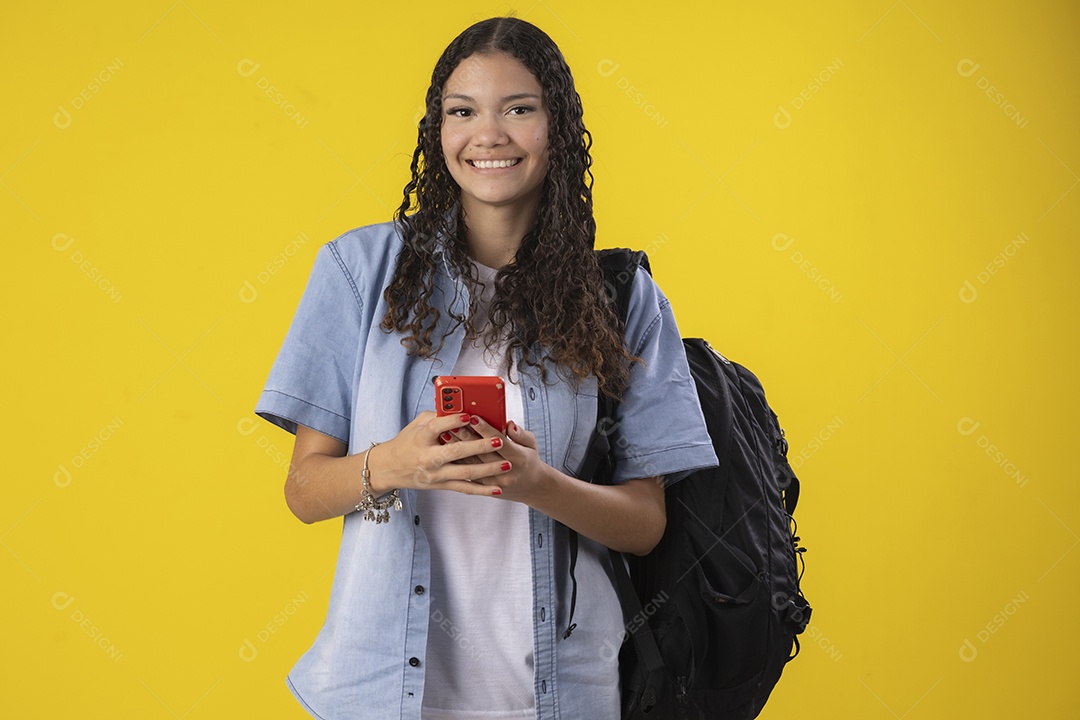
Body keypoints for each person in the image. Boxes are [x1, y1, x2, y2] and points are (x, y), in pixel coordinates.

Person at [255, 16, 716, 720]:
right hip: (382, 694)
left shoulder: (622, 299)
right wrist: (397, 462)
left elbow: (645, 521)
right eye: (462, 111)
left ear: (556, 127)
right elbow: (303, 490)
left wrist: (538, 484)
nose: (488, 135)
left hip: (559, 695)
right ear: (438, 131)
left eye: (519, 109)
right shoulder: (358, 272)